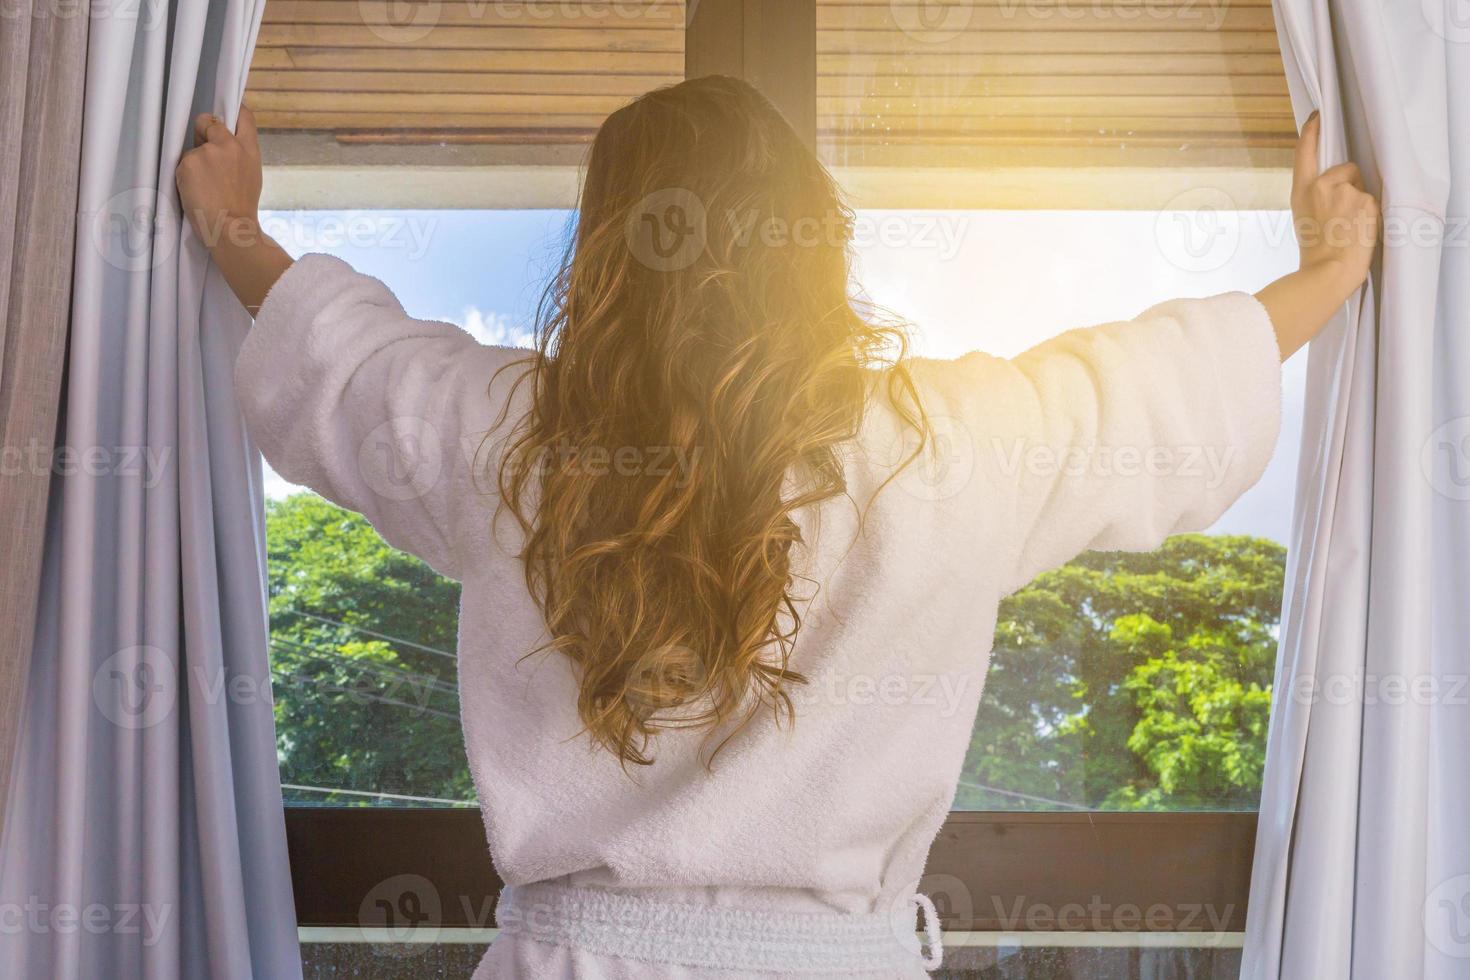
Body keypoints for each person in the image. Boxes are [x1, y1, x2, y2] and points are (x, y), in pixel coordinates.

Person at [176, 76, 1378, 978]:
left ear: (606, 246)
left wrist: (233, 222)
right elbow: (1141, 387)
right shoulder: (946, 440)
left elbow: (349, 363)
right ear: (816, 238)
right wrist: (1325, 273)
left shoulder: (517, 436)